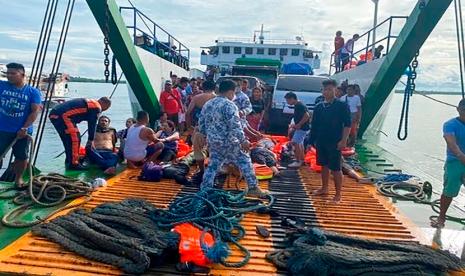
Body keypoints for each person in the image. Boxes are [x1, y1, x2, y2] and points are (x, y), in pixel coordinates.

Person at [198, 80, 267, 198]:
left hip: (214, 142)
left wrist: (204, 136)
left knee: (213, 165)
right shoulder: (229, 105)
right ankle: (253, 188)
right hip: (230, 142)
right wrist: (243, 140)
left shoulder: (208, 104)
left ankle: (205, 189)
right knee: (245, 161)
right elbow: (235, 125)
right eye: (234, 92)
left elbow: (202, 123)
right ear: (230, 92)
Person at [0, 62, 42, 187]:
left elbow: (35, 111)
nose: (9, 76)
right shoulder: (2, 86)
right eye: (8, 73)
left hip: (22, 131)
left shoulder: (32, 92)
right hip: (2, 129)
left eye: (13, 73)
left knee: (21, 156)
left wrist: (24, 127)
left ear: (22, 75)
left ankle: (18, 179)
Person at [309, 79, 351, 203]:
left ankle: (338, 195)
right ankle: (324, 188)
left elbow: (347, 124)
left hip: (335, 141)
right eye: (325, 89)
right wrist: (311, 141)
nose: (327, 92)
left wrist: (343, 141)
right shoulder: (319, 107)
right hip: (321, 140)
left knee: (336, 168)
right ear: (322, 91)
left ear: (335, 90)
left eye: (330, 89)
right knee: (324, 165)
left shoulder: (342, 105)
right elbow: (314, 125)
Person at [49, 97, 111, 170]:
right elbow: (92, 124)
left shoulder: (90, 102)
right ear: (105, 104)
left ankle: (69, 160)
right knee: (75, 139)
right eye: (105, 109)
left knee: (68, 139)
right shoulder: (96, 107)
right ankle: (74, 164)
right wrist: (91, 140)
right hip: (64, 116)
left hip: (56, 115)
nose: (102, 111)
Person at [432, 99, 465, 228]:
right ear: (458, 109)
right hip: (455, 161)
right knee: (449, 190)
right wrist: (461, 156)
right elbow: (451, 142)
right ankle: (441, 218)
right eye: (463, 110)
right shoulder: (450, 124)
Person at [186, 80, 216, 172]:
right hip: (215, 128)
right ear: (214, 88)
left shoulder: (196, 98)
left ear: (203, 88)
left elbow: (188, 113)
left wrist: (189, 127)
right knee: (213, 151)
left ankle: (201, 170)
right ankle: (212, 170)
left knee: (197, 150)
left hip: (199, 127)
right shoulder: (217, 98)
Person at [284, 92, 311, 168]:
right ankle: (301, 159)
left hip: (301, 128)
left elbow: (307, 115)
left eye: (288, 100)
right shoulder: (299, 105)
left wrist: (299, 124)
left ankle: (298, 160)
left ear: (292, 99)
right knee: (300, 143)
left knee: (295, 143)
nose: (287, 102)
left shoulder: (299, 105)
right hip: (302, 127)